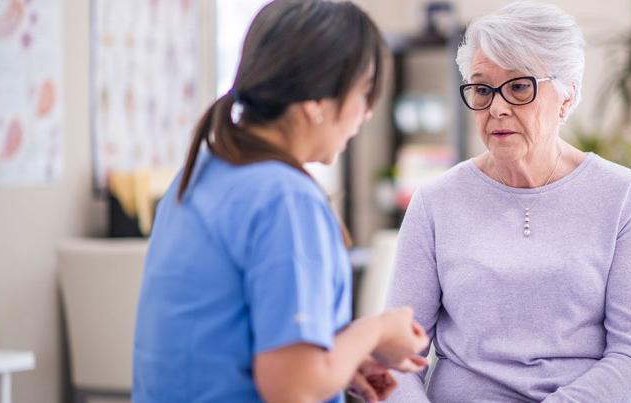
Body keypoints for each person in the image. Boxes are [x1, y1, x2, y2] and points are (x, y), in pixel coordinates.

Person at [132, 1, 429, 402]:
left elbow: (228, 347)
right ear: (316, 103)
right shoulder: (286, 200)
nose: (367, 114)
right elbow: (293, 388)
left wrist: (339, 359)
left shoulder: (198, 175)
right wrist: (374, 331)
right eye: (364, 93)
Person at [386, 2, 631, 402]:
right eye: (482, 88)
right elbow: (398, 357)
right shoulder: (435, 202)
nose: (496, 107)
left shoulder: (622, 196)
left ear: (567, 97)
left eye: (518, 86)